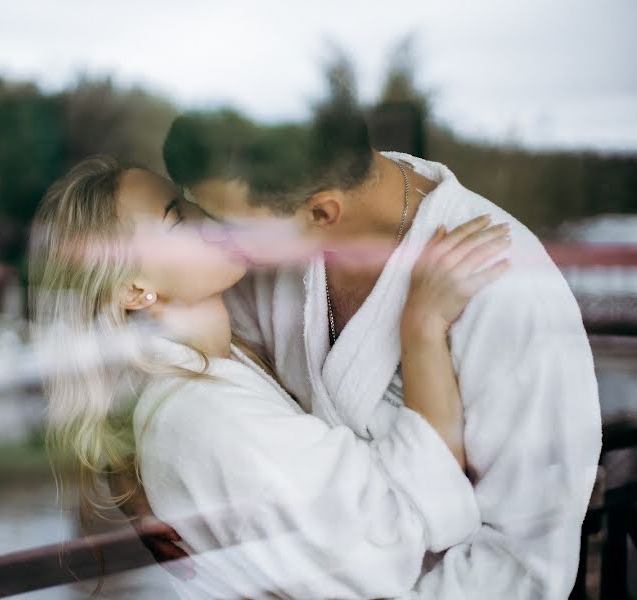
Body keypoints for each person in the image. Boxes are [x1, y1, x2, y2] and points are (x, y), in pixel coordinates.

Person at [150, 108, 603, 598]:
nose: (210, 235)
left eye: (226, 223)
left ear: (322, 213)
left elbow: (525, 558)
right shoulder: (274, 254)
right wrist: (140, 484)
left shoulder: (510, 292)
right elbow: (176, 353)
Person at [30, 156, 511, 598]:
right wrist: (423, 326)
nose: (208, 219)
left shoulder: (216, 362)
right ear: (134, 289)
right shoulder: (206, 417)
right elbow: (386, 546)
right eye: (176, 219)